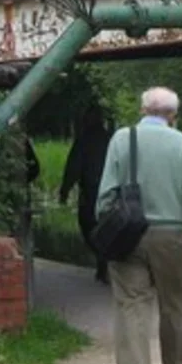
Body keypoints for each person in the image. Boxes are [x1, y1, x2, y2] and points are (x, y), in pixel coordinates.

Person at [96, 87, 182, 364]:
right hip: (171, 235)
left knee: (131, 306)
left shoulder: (122, 139)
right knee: (172, 303)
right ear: (173, 116)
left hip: (128, 235)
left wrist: (105, 228)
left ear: (142, 109)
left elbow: (105, 194)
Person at [59, 103, 113, 283]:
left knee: (88, 227)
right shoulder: (110, 139)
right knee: (108, 229)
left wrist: (64, 191)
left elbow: (73, 167)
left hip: (90, 193)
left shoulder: (84, 140)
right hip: (111, 193)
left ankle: (102, 260)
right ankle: (104, 262)